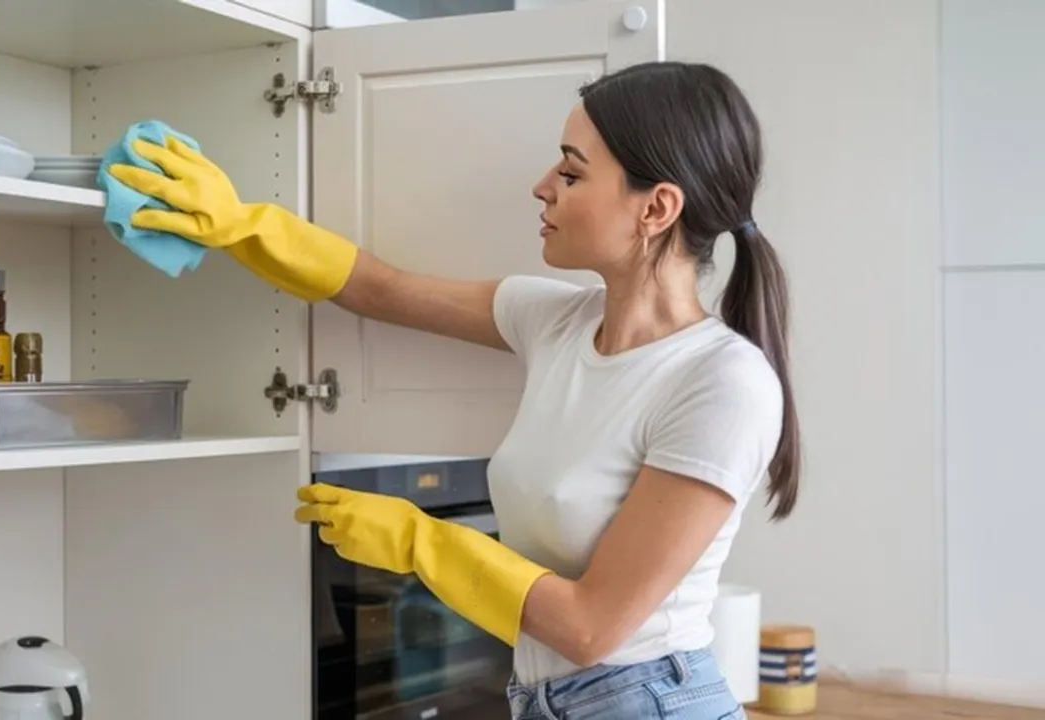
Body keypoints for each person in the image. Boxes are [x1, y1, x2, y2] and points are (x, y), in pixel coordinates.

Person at [107, 60, 800, 720]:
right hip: (544, 697)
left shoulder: (722, 383)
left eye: (570, 171)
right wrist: (242, 224)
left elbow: (592, 627)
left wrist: (418, 541)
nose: (542, 186)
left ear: (657, 209)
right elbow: (381, 289)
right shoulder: (557, 322)